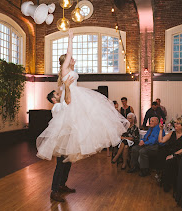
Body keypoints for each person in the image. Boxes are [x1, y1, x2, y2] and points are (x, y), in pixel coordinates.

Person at [37, 29, 129, 164]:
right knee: (77, 122)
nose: (72, 59)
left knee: (85, 121)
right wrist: (70, 38)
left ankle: (78, 147)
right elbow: (69, 53)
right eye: (70, 59)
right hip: (73, 95)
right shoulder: (65, 69)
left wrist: (72, 70)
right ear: (65, 62)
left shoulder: (69, 70)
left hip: (75, 94)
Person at [46, 76, 76, 202]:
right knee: (60, 165)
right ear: (53, 99)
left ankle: (62, 185)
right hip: (61, 140)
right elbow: (68, 102)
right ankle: (54, 191)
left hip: (66, 138)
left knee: (67, 163)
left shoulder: (59, 106)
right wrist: (67, 86)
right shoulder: (56, 107)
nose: (59, 95)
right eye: (57, 94)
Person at [156, 117, 182, 192]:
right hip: (169, 151)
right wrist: (161, 129)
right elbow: (161, 140)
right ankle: (161, 176)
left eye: (178, 123)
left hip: (179, 154)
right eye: (175, 123)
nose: (175, 124)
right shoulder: (172, 133)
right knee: (160, 153)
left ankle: (167, 183)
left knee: (169, 161)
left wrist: (173, 155)